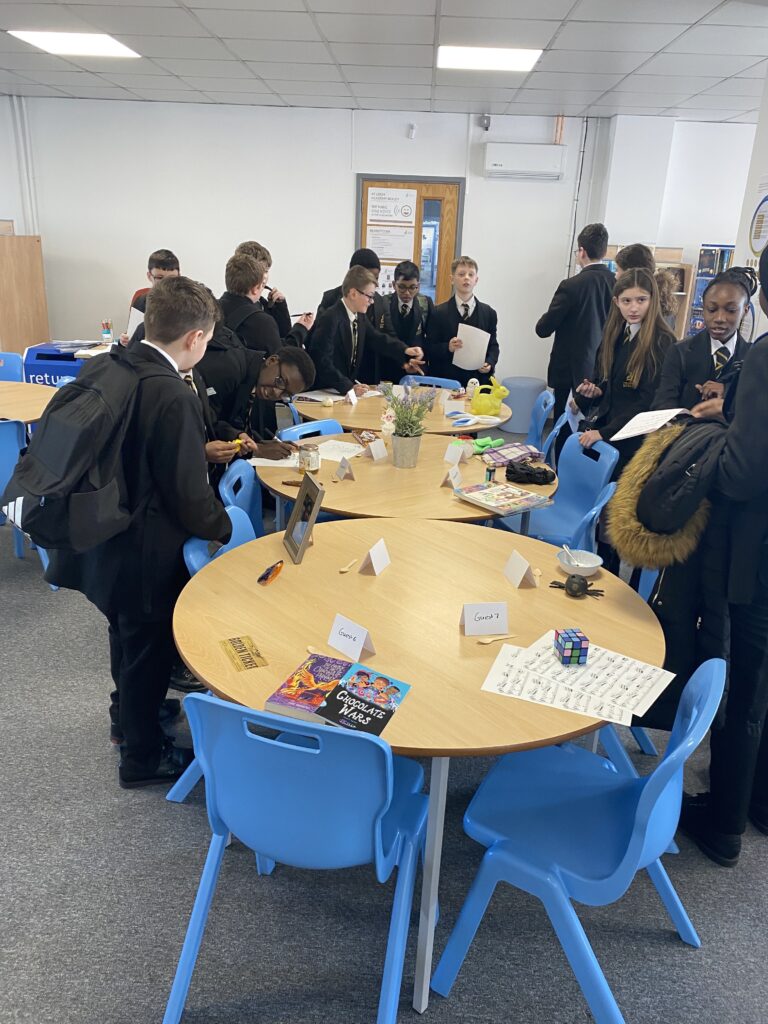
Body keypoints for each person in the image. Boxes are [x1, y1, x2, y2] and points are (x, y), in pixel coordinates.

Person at [46, 277, 232, 788]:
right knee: (148, 648)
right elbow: (189, 494)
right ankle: (142, 757)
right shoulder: (172, 394)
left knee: (125, 636)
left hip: (103, 534)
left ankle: (126, 718)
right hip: (146, 551)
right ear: (195, 338)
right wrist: (225, 526)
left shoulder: (114, 362)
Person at [678, 250, 768, 867]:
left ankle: (725, 822)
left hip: (756, 551)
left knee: (744, 686)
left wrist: (720, 432)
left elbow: (740, 473)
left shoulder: (762, 357)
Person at [576, 267, 674, 477]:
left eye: (641, 300)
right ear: (616, 302)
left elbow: (647, 402)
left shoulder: (662, 341)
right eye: (626, 301)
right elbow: (610, 380)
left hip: (632, 439)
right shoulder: (618, 332)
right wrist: (597, 391)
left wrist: (604, 433)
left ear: (653, 300)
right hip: (609, 427)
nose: (634, 308)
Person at [535, 223, 615, 435]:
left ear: (581, 251)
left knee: (564, 428)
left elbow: (543, 329)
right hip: (603, 372)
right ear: (604, 251)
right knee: (591, 428)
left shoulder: (571, 285)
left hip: (570, 371)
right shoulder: (617, 284)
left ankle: (561, 467)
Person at [308, 266, 424, 395]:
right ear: (353, 294)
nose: (372, 301)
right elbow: (322, 361)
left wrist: (405, 351)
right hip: (325, 391)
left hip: (342, 392)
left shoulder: (359, 316)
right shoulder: (330, 317)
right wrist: (348, 387)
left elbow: (377, 339)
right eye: (369, 296)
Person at [652, 267, 755, 411]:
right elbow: (662, 403)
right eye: (711, 310)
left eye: (731, 310)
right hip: (687, 432)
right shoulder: (680, 352)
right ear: (703, 308)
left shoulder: (754, 358)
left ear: (745, 310)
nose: (719, 318)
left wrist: (728, 393)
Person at [315, 248, 396, 382]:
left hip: (369, 374)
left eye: (375, 278)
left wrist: (404, 354)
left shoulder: (381, 302)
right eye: (368, 278)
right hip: (338, 378)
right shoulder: (331, 302)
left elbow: (383, 337)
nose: (373, 283)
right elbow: (322, 348)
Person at [426, 256, 499, 387]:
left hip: (478, 382)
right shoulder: (438, 313)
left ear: (476, 280)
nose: (466, 278)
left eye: (471, 274)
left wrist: (489, 363)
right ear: (452, 279)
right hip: (447, 381)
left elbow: (493, 346)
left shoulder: (489, 313)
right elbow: (429, 348)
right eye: (461, 274)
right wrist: (447, 347)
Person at [234, 240, 313, 346]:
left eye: (266, 271)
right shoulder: (253, 316)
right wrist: (300, 329)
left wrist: (278, 309)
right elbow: (281, 353)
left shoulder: (262, 304)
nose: (265, 277)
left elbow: (283, 334)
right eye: (262, 271)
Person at [218, 254, 282, 357]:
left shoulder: (209, 309)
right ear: (255, 288)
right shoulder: (264, 322)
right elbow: (277, 361)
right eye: (262, 285)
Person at [614, 242, 680, 330]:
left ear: (630, 273)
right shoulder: (661, 297)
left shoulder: (646, 309)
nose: (616, 276)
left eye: (618, 270)